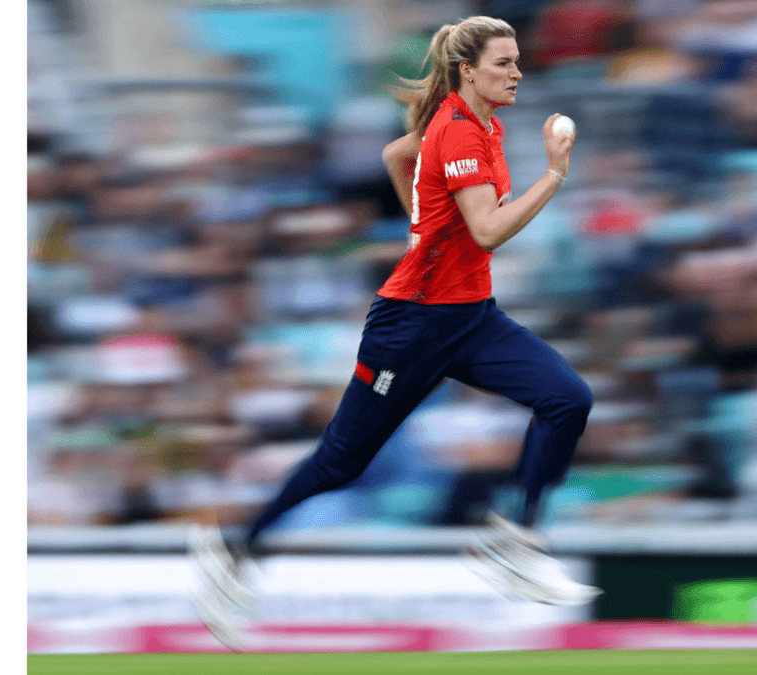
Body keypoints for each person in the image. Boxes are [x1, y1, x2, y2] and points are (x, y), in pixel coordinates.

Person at [189, 16, 600, 650]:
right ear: (469, 70)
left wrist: (425, 228)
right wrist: (553, 176)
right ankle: (236, 549)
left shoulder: (478, 125)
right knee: (342, 460)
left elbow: (398, 156)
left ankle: (517, 541)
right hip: (411, 328)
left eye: (517, 61)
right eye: (503, 62)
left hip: (470, 316)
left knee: (568, 398)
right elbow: (488, 231)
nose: (517, 71)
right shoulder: (463, 131)